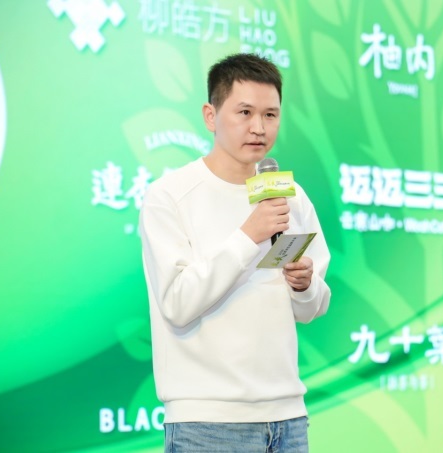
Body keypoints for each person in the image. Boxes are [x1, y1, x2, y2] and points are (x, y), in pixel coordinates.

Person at [139, 53, 331, 452]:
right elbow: (176, 303)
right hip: (208, 423)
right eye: (245, 112)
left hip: (288, 419)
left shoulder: (290, 196)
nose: (259, 127)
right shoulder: (170, 196)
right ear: (211, 116)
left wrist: (305, 285)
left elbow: (311, 308)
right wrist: (248, 236)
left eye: (270, 115)